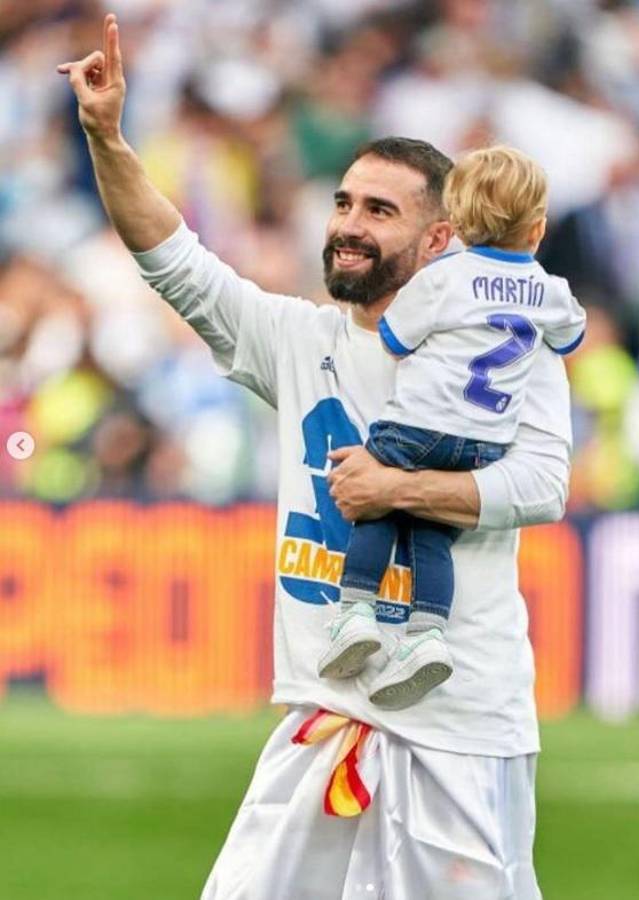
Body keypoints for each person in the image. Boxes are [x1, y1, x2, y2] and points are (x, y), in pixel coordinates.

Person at [59, 15, 573, 899]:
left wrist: (395, 486)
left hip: (460, 721)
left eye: (379, 211)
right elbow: (171, 258)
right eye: (342, 203)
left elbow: (543, 484)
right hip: (326, 712)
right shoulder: (296, 338)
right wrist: (107, 138)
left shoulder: (509, 346)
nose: (347, 225)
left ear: (441, 239)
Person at [321, 146, 586, 711]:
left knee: (377, 498)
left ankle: (355, 613)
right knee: (432, 529)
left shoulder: (447, 278)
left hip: (422, 422)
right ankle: (427, 635)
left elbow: (394, 338)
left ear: (459, 225)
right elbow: (571, 338)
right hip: (483, 442)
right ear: (537, 229)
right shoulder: (549, 289)